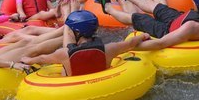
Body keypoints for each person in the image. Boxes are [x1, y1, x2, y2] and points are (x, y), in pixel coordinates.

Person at [20, 10, 150, 76]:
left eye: (70, 30)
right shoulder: (109, 49)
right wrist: (143, 36)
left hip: (72, 89)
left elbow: (42, 58)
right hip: (103, 84)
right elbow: (130, 43)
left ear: (76, 33)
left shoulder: (63, 54)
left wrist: (27, 59)